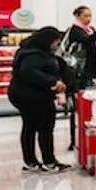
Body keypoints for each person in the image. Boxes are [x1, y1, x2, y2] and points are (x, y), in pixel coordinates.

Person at [8, 27, 70, 173]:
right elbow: (29, 72)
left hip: (26, 95)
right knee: (45, 128)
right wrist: (52, 82)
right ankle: (48, 162)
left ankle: (31, 162)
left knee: (30, 127)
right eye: (55, 42)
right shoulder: (34, 55)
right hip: (32, 96)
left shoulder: (30, 51)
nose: (57, 45)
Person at [65, 5, 96, 87]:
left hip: (92, 64)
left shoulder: (90, 29)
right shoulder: (75, 30)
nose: (88, 18)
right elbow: (87, 39)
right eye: (85, 16)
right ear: (78, 16)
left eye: (90, 16)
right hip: (81, 66)